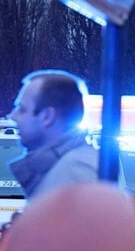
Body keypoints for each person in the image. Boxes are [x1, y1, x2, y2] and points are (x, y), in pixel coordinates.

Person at [7, 70, 98, 199]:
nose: (13, 116)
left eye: (22, 110)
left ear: (48, 116)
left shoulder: (75, 172)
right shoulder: (65, 168)